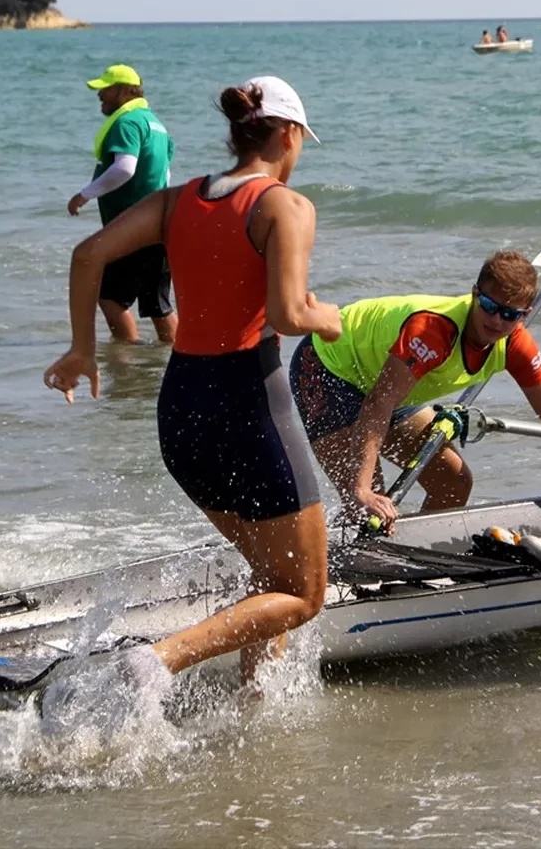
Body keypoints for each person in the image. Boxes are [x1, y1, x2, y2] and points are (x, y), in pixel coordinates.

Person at [44, 75, 342, 688]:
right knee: (304, 592)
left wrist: (81, 350)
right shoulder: (286, 206)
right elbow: (289, 315)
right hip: (249, 405)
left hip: (181, 409)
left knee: (268, 575)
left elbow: (86, 256)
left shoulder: (178, 200)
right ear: (288, 134)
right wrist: (327, 318)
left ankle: (256, 708)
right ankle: (155, 663)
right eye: (301, 139)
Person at [289, 251, 541, 531]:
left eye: (511, 314)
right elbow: (378, 404)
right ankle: (336, 574)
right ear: (473, 295)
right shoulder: (433, 332)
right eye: (488, 305)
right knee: (366, 505)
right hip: (327, 368)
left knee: (453, 482)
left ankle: (407, 561)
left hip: (387, 384)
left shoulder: (515, 345)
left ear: (525, 314)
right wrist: (362, 489)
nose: (497, 321)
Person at [67, 64, 178, 345]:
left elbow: (125, 168)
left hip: (131, 227)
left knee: (110, 299)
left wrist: (85, 194)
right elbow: (166, 174)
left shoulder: (126, 123)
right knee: (158, 305)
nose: (100, 95)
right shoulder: (157, 125)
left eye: (106, 89)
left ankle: (127, 363)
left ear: (128, 92)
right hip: (159, 226)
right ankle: (178, 357)